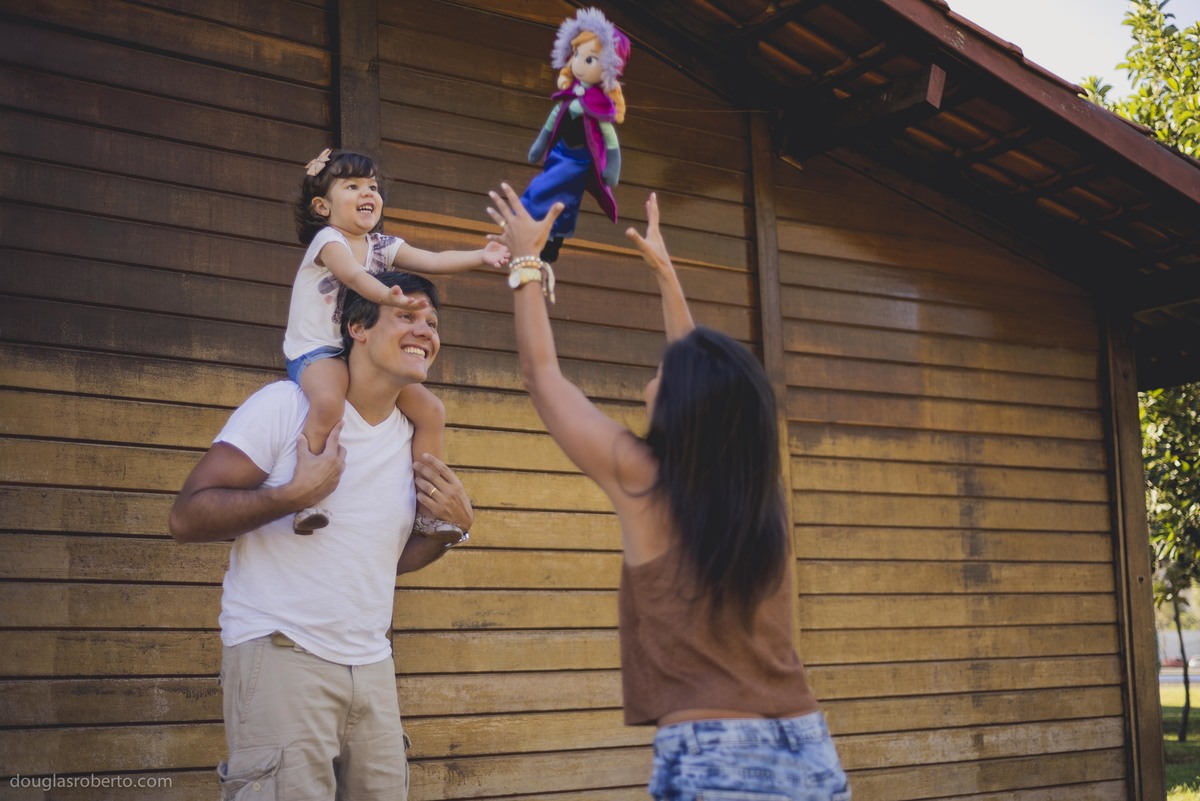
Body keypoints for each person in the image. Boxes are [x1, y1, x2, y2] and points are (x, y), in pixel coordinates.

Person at [486, 184, 850, 800]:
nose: (649, 380)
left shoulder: (645, 480)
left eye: (660, 374)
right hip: (809, 750)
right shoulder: (757, 494)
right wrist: (666, 276)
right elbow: (704, 379)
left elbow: (542, 375)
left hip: (718, 758)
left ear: (684, 404)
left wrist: (527, 262)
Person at [169, 271, 474, 800]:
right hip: (282, 655)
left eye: (432, 322)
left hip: (373, 668)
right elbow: (186, 518)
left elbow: (382, 559)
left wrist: (452, 530)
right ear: (357, 326)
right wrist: (291, 495)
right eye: (407, 316)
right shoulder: (285, 407)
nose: (425, 330)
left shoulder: (413, 438)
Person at [288, 148, 507, 538]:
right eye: (352, 186)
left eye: (372, 186)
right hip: (317, 349)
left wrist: (480, 256)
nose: (367, 193)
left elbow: (433, 259)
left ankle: (428, 509)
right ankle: (307, 494)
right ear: (322, 206)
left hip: (357, 351)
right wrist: (387, 297)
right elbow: (354, 276)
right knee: (327, 401)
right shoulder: (328, 240)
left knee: (431, 410)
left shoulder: (382, 245)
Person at [520, 7, 628, 263]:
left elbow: (609, 138)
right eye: (578, 54)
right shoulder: (568, 97)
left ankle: (550, 238)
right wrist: (540, 145)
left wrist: (612, 168)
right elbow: (551, 123)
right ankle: (534, 226)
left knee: (562, 202)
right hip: (560, 153)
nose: (579, 63)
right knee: (547, 190)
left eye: (589, 59)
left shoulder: (599, 106)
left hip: (579, 161)